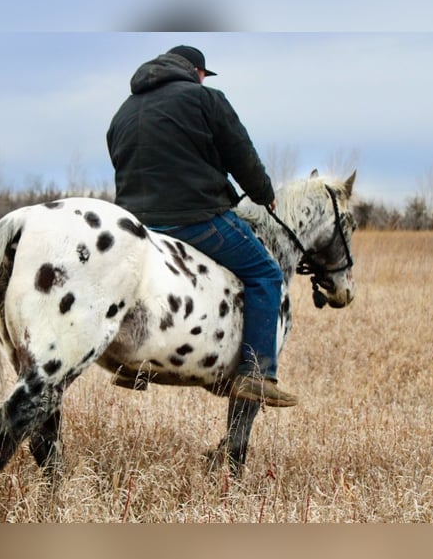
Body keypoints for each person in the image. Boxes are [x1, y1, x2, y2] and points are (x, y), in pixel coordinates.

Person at [106, 45, 297, 407]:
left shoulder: (124, 112)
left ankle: (132, 365)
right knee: (266, 274)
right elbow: (240, 151)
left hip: (138, 229)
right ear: (197, 71)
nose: (203, 79)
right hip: (196, 219)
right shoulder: (205, 99)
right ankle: (255, 374)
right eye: (204, 74)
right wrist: (264, 193)